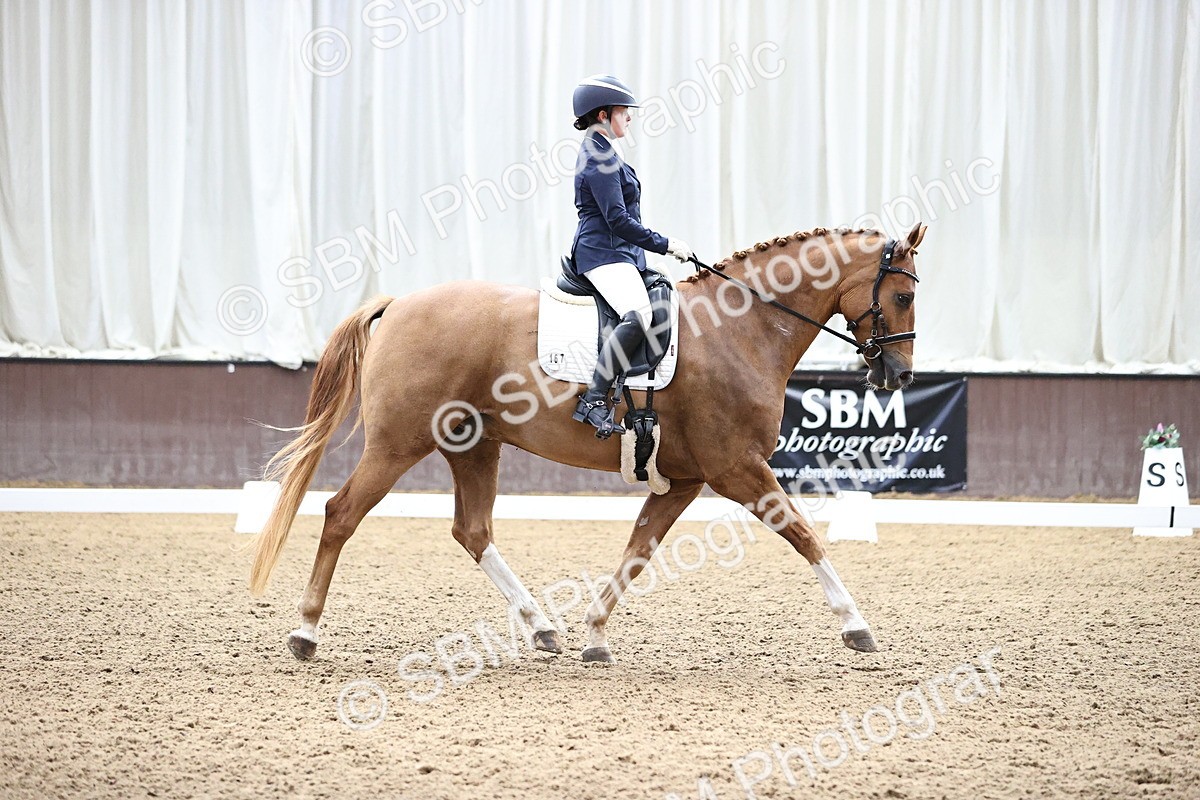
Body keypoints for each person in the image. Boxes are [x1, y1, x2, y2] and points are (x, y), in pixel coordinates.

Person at [568, 75, 693, 438]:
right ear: (603, 115)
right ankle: (593, 399)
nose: (630, 117)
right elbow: (618, 220)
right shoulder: (598, 157)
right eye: (624, 111)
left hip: (620, 253)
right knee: (638, 315)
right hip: (601, 254)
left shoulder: (606, 149)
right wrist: (665, 243)